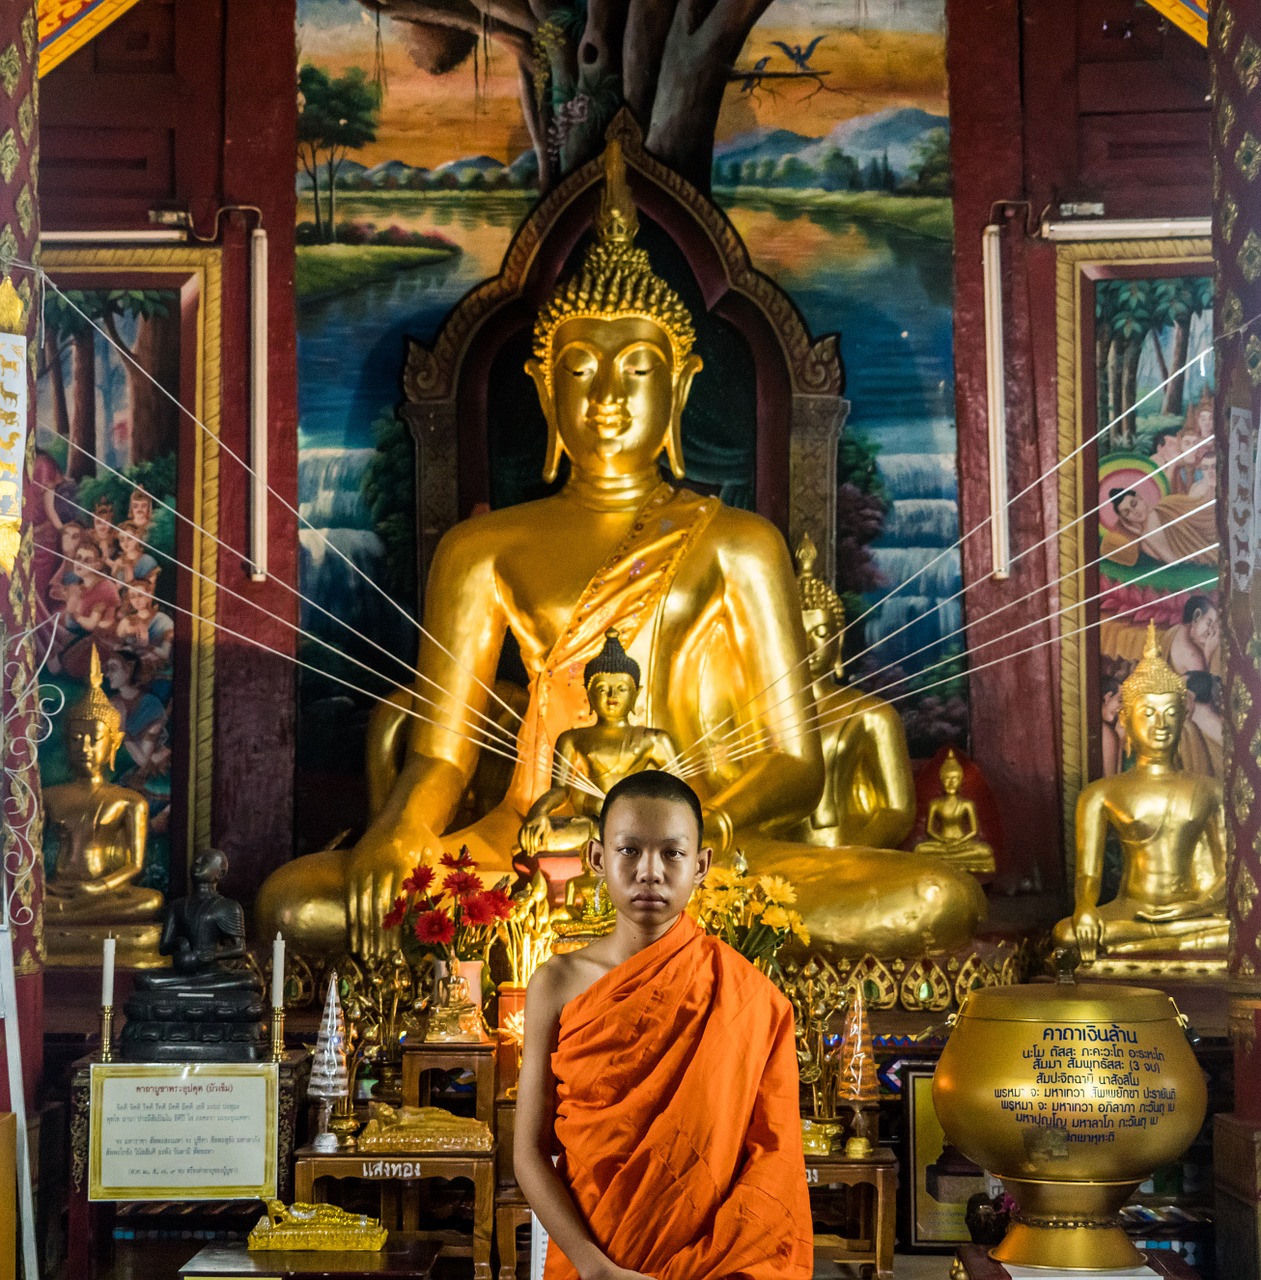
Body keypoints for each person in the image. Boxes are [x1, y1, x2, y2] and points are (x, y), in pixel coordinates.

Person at [514, 770, 813, 1280]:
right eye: (629, 850)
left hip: (714, 1263)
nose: (649, 871)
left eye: (672, 854)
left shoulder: (748, 998)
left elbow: (772, 1159)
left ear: (701, 866)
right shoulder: (556, 983)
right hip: (593, 1261)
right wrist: (596, 1269)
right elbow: (528, 1154)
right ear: (596, 858)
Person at [1101, 486, 1217, 568]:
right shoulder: (1145, 540)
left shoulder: (1163, 509)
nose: (1135, 512)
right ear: (1125, 520)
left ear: (1140, 498)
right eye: (1127, 512)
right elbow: (1174, 562)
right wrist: (1143, 535)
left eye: (1134, 504)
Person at [1165, 594, 1220, 675]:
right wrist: (1209, 656)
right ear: (1196, 616)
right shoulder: (1196, 660)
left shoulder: (1176, 629)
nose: (1210, 632)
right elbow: (1208, 685)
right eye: (1208, 623)